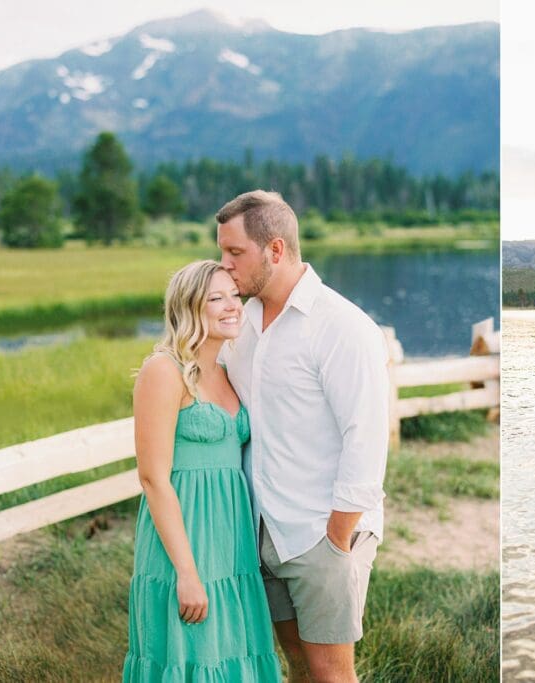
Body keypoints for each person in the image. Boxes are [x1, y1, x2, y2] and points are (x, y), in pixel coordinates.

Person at [216, 190, 390, 683]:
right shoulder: (243, 323)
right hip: (263, 529)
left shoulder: (343, 327)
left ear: (274, 250)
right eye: (222, 252)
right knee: (296, 666)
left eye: (235, 253)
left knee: (332, 675)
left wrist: (337, 537)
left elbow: (367, 437)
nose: (224, 265)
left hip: (321, 532)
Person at [123, 260, 281, 681]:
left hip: (232, 543)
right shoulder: (164, 370)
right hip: (185, 544)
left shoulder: (228, 372)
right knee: (188, 657)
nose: (233, 306)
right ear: (190, 307)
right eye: (217, 298)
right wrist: (187, 573)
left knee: (234, 654)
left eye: (235, 295)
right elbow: (153, 479)